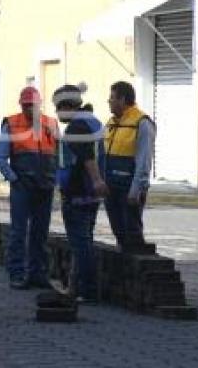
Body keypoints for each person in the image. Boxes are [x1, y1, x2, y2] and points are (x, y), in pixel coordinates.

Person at [0, 86, 60, 290]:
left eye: (34, 105)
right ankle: (17, 274)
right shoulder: (11, 124)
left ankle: (37, 274)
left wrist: (56, 179)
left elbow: (61, 154)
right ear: (21, 105)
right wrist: (13, 178)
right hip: (22, 186)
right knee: (18, 231)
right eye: (27, 105)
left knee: (40, 232)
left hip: (45, 185)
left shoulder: (51, 123)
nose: (30, 109)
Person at [52, 84, 108, 302]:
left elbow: (87, 157)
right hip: (90, 194)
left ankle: (87, 291)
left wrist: (96, 180)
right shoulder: (92, 121)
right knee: (85, 240)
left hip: (78, 192)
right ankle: (77, 288)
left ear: (67, 106)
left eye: (58, 107)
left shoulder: (77, 127)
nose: (57, 113)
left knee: (80, 244)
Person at [104, 81, 156, 251]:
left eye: (112, 98)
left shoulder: (142, 123)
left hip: (129, 189)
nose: (109, 101)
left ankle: (137, 268)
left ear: (123, 99)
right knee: (119, 232)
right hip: (111, 186)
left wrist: (136, 189)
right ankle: (122, 270)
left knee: (131, 233)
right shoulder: (111, 123)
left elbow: (144, 160)